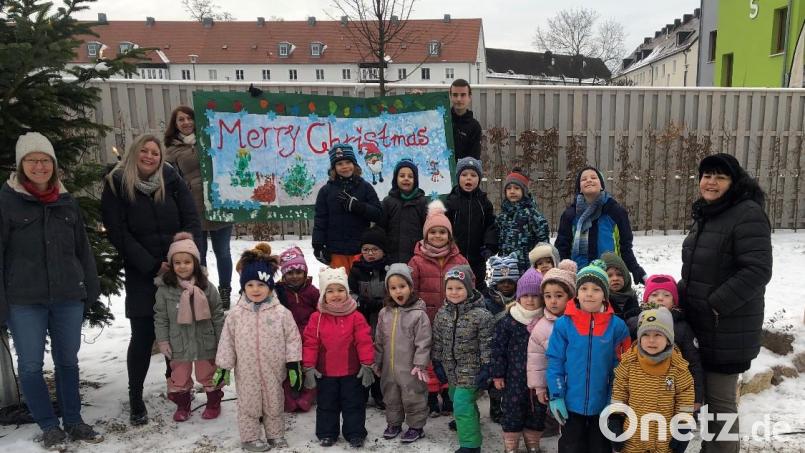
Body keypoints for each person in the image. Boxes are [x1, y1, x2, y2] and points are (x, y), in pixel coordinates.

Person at [0, 132, 103, 448]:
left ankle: (73, 420)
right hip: (24, 299)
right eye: (32, 160)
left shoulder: (66, 200)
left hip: (68, 295)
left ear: (54, 165)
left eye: (45, 160)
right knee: (30, 364)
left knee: (68, 361)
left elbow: (81, 248)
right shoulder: (6, 201)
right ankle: (48, 425)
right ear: (21, 165)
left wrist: (91, 287)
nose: (40, 166)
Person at [101, 134, 201, 426]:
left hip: (177, 268)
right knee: (143, 336)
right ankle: (135, 398)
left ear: (161, 157)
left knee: (177, 331)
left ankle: (178, 389)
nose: (149, 156)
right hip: (141, 271)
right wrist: (150, 265)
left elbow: (191, 219)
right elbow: (118, 232)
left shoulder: (171, 179)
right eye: (143, 151)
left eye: (154, 152)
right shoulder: (117, 184)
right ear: (134, 153)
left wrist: (185, 258)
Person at [679, 153, 772, 453]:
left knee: (720, 408)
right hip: (702, 324)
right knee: (706, 405)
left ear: (734, 182)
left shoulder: (747, 213)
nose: (711, 182)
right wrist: (675, 296)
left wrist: (714, 305)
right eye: (707, 175)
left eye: (720, 176)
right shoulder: (709, 213)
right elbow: (699, 270)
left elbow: (757, 270)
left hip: (726, 327)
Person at [215, 243, 303, 452]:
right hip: (246, 372)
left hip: (274, 370)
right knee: (249, 406)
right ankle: (250, 437)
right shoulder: (236, 314)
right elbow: (227, 340)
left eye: (261, 285)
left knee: (274, 403)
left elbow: (292, 338)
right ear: (244, 287)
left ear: (270, 287)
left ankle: (275, 434)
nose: (255, 289)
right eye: (250, 285)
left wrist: (293, 365)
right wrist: (223, 367)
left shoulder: (281, 313)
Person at [545, 260, 631, 453]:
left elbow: (622, 368)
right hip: (570, 403)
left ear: (605, 295)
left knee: (600, 448)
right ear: (577, 293)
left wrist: (613, 402)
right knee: (571, 447)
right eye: (584, 288)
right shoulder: (564, 325)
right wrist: (556, 395)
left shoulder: (617, 327)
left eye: (596, 289)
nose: (589, 294)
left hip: (602, 405)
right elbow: (555, 362)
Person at [164, 106, 234, 308]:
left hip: (219, 204)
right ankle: (200, 291)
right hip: (192, 208)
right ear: (175, 124)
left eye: (189, 118)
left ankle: (224, 291)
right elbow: (170, 180)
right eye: (180, 120)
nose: (186, 122)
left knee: (223, 252)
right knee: (197, 254)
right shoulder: (172, 150)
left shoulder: (212, 139)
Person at [154, 232, 225, 422]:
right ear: (171, 265)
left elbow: (217, 313)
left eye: (187, 261)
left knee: (208, 374)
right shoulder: (165, 289)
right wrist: (162, 340)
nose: (182, 266)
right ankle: (183, 405)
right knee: (180, 376)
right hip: (179, 343)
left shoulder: (206, 287)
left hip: (204, 340)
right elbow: (160, 317)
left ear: (195, 262)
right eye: (177, 262)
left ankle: (213, 402)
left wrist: (221, 340)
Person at [302, 267, 376, 448]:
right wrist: (309, 367)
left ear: (347, 292)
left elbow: (364, 341)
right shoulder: (317, 318)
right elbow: (310, 343)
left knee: (354, 404)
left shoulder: (356, 316)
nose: (336, 295)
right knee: (327, 405)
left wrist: (367, 364)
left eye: (341, 290)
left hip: (352, 372)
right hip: (325, 372)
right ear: (323, 295)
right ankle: (327, 433)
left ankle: (355, 433)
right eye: (330, 291)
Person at [407, 200, 468, 416]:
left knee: (450, 359)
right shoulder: (416, 261)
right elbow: (410, 288)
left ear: (449, 236)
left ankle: (449, 395)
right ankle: (432, 396)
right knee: (430, 359)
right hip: (427, 320)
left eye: (443, 232)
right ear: (425, 235)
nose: (438, 236)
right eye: (433, 232)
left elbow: (469, 284)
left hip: (453, 320)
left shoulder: (459, 259)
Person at [608, 307, 695, 453]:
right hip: (633, 437)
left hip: (664, 439)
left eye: (658, 334)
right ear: (639, 338)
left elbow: (685, 398)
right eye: (646, 334)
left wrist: (683, 426)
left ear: (668, 339)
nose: (651, 340)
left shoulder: (678, 367)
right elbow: (620, 392)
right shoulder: (629, 363)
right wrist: (616, 419)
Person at [431, 265, 494, 453]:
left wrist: (487, 367)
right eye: (450, 288)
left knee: (461, 402)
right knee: (454, 397)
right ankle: (466, 421)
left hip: (473, 369)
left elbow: (487, 343)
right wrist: (437, 362)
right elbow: (438, 340)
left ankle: (471, 445)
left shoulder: (482, 316)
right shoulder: (443, 314)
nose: (454, 292)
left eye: (459, 288)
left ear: (468, 288)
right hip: (451, 369)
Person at [555, 166, 646, 284]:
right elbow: (562, 247)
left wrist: (635, 269)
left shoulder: (616, 212)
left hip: (609, 276)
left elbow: (625, 247)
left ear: (602, 185)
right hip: (579, 276)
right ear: (580, 189)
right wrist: (563, 273)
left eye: (594, 177)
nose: (589, 180)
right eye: (584, 179)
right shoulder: (570, 215)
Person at [628, 275, 704, 411]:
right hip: (641, 393)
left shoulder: (682, 328)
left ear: (674, 301)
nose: (660, 298)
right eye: (654, 294)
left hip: (672, 394)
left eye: (666, 295)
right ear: (646, 299)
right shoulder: (635, 323)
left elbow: (694, 364)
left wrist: (696, 398)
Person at [374, 263, 432, 443]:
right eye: (393, 288)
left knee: (413, 396)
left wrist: (420, 364)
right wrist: (378, 361)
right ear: (388, 290)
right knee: (391, 397)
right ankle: (394, 423)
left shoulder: (418, 315)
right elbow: (379, 340)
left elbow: (424, 342)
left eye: (402, 286)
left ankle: (416, 426)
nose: (398, 291)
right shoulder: (384, 313)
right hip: (389, 369)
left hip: (411, 369)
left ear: (411, 287)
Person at [491, 268, 546, 453]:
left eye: (535, 295)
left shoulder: (546, 321)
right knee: (512, 411)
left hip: (538, 380)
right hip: (513, 378)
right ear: (518, 296)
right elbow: (498, 350)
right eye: (526, 295)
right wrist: (498, 374)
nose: (530, 300)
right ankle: (511, 445)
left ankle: (532, 443)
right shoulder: (508, 321)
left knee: (537, 410)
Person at [312, 144, 382, 273]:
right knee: (340, 287)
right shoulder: (326, 191)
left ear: (354, 165)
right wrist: (318, 245)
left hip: (361, 250)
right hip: (336, 250)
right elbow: (320, 219)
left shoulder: (365, 187)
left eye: (348, 162)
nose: (344, 167)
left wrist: (357, 206)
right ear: (334, 168)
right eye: (339, 164)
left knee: (359, 286)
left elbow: (378, 214)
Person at [526, 260, 577, 438]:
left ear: (570, 296)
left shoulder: (580, 321)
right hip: (555, 385)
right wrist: (539, 388)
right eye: (548, 296)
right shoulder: (541, 327)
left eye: (559, 295)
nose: (553, 301)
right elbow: (535, 360)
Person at [348, 225, 389, 409]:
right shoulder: (356, 270)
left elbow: (397, 290)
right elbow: (351, 293)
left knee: (381, 357)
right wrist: (361, 302)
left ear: (383, 250)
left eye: (374, 249)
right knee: (363, 356)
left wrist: (384, 304)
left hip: (384, 321)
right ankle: (362, 391)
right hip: (362, 320)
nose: (370, 253)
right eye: (366, 250)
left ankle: (380, 393)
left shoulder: (389, 269)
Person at [276, 246, 319, 413]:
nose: (294, 277)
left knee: (308, 367)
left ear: (305, 272)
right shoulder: (280, 293)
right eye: (290, 273)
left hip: (309, 337)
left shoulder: (312, 292)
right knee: (288, 368)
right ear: (284, 274)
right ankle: (289, 397)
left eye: (298, 272)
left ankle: (307, 396)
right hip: (287, 337)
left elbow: (321, 311)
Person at [446, 156, 498, 291]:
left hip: (477, 256)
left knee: (477, 284)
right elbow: (445, 226)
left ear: (479, 179)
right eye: (464, 175)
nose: (468, 178)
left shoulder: (484, 203)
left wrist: (489, 246)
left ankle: (478, 308)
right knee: (455, 284)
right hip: (454, 255)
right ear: (458, 178)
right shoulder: (451, 202)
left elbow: (490, 225)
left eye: (473, 175)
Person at [483, 253, 519, 424]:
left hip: (514, 346)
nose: (506, 284)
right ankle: (495, 406)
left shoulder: (522, 299)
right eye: (502, 281)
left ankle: (511, 406)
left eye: (510, 281)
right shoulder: (487, 301)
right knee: (494, 379)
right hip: (494, 346)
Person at [496, 169, 550, 273]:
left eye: (516, 188)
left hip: (526, 265)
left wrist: (541, 259)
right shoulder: (502, 216)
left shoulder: (531, 214)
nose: (512, 191)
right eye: (509, 188)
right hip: (506, 264)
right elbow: (497, 236)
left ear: (524, 191)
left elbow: (543, 238)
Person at [379, 158, 428, 264]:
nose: (406, 179)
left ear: (416, 180)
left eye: (410, 176)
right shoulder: (388, 201)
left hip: (417, 257)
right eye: (402, 176)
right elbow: (381, 228)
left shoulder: (422, 202)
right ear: (395, 179)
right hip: (392, 257)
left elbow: (427, 229)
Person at [600, 252, 640, 321]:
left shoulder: (632, 297)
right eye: (609, 275)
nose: (615, 278)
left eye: (619, 274)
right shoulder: (601, 300)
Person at [449, 79, 482, 161]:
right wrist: (415, 98)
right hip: (439, 172)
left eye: (463, 95)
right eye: (455, 95)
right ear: (450, 96)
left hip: (464, 172)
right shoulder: (442, 120)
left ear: (469, 97)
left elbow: (474, 159)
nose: (459, 99)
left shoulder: (475, 127)